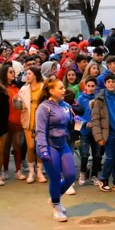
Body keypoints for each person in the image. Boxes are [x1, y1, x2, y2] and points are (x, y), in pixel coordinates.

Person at [34, 77, 77, 221]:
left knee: (71, 175)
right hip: (48, 145)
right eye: (60, 88)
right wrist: (43, 150)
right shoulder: (43, 108)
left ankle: (54, 197)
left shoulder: (66, 105)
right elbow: (40, 131)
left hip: (63, 144)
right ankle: (56, 207)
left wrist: (78, 121)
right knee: (56, 177)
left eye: (63, 87)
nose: (64, 90)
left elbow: (69, 123)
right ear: (51, 91)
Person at [91, 73, 115, 192]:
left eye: (113, 82)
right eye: (108, 82)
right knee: (110, 158)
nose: (111, 84)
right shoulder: (100, 100)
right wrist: (98, 137)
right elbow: (95, 119)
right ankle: (104, 179)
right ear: (105, 84)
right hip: (108, 134)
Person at [19, 68, 48, 183]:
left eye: (29, 74)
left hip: (40, 120)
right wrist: (16, 101)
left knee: (40, 146)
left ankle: (39, 171)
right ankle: (31, 171)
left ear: (35, 75)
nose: (27, 76)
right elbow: (19, 105)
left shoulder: (44, 87)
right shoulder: (24, 89)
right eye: (26, 74)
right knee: (30, 146)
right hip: (28, 119)